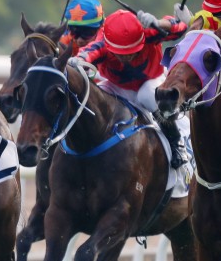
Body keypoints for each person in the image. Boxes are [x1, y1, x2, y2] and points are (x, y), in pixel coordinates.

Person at [70, 9, 190, 167]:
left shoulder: (148, 31)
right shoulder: (102, 42)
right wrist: (77, 61)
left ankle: (177, 143)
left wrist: (160, 23)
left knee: (146, 94)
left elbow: (180, 27)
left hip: (151, 81)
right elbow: (88, 53)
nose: (126, 57)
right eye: (121, 53)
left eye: (131, 52)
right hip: (116, 86)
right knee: (97, 94)